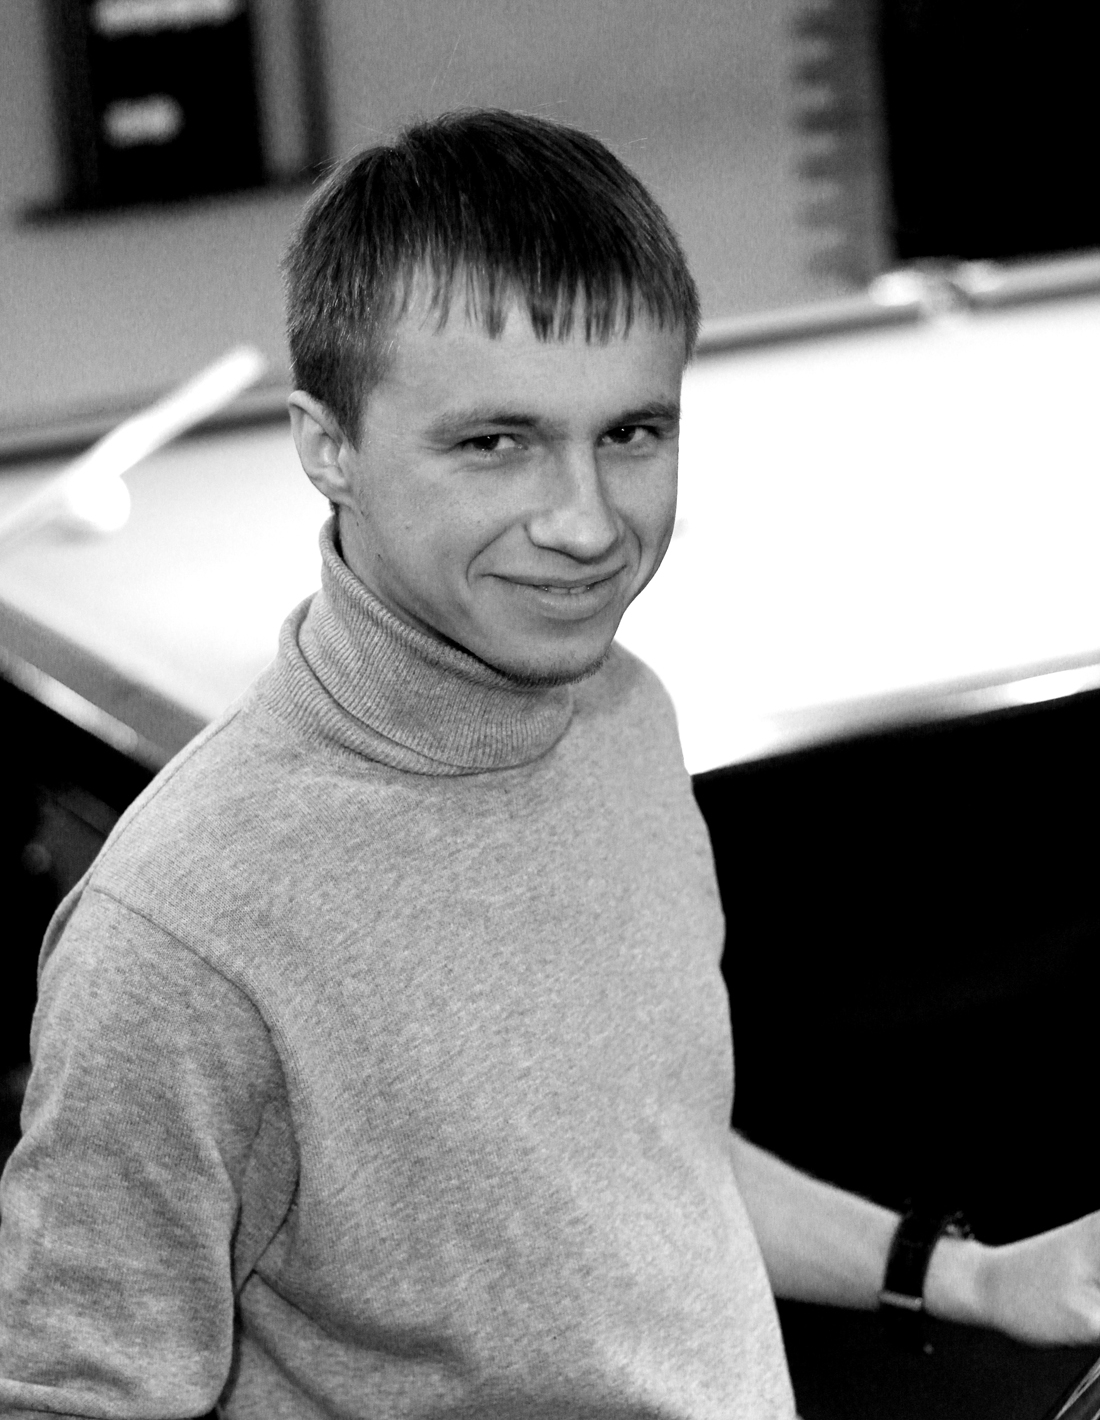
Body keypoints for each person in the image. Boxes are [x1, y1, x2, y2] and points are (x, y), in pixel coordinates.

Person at [1, 109, 1098, 1419]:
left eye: (631, 433)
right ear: (327, 445)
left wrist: (968, 1279)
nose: (586, 524)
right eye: (495, 442)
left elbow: (634, 1156)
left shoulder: (623, 715)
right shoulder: (181, 929)